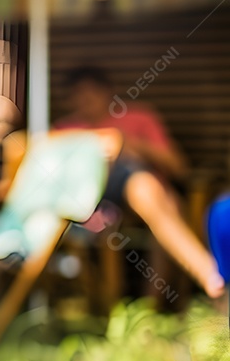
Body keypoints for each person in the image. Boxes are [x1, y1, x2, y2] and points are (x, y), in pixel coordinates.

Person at [54, 66, 224, 299]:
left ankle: (155, 304)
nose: (84, 100)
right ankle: (210, 275)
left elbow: (178, 167)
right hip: (93, 202)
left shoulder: (138, 117)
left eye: (91, 92)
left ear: (108, 92)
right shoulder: (64, 130)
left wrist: (129, 145)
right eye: (77, 95)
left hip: (146, 194)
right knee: (156, 198)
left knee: (148, 192)